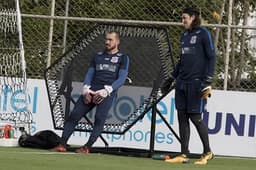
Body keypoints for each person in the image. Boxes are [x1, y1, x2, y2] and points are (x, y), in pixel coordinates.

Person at [52, 31, 129, 154]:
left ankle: (87, 147)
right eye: (106, 39)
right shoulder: (97, 56)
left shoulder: (123, 58)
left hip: (106, 94)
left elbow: (122, 78)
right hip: (92, 91)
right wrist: (86, 89)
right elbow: (90, 73)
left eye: (110, 40)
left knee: (99, 119)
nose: (107, 42)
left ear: (117, 42)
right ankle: (62, 144)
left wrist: (107, 91)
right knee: (74, 115)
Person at [161, 7, 216, 165]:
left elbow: (211, 57)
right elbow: (181, 61)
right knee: (182, 116)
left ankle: (208, 152)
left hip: (196, 83)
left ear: (193, 17)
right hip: (182, 83)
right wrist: (171, 78)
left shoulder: (204, 34)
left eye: (185, 17)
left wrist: (208, 81)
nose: (182, 20)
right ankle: (184, 153)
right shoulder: (184, 35)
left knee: (195, 117)